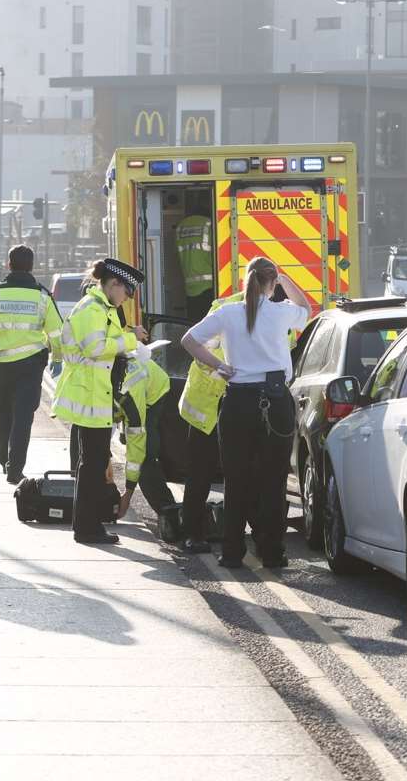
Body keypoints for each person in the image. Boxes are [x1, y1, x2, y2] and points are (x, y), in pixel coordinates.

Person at [180, 257, 309, 568]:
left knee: (236, 480)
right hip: (275, 401)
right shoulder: (281, 312)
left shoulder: (228, 313)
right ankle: (272, 552)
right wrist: (285, 278)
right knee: (273, 479)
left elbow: (189, 341)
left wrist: (220, 366)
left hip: (238, 402)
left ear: (245, 282)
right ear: (271, 283)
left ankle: (232, 552)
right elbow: (306, 307)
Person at [52, 258, 146, 545]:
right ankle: (87, 528)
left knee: (91, 464)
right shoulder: (93, 309)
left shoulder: (100, 308)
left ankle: (86, 525)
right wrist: (131, 341)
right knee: (92, 465)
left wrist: (128, 339)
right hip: (90, 396)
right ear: (114, 284)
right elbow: (95, 348)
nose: (127, 299)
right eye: (127, 293)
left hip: (96, 394)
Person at [0, 245, 64, 485]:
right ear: (32, 266)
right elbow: (56, 332)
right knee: (23, 418)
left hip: (2, 365)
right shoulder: (42, 295)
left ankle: (3, 457)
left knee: (5, 412)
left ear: (8, 265)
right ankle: (15, 468)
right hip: (31, 366)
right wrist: (58, 358)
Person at [177, 291, 243, 555]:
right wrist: (223, 368)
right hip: (209, 402)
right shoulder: (225, 310)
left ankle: (236, 533)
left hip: (239, 400)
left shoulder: (271, 313)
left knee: (241, 472)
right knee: (201, 472)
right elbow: (198, 350)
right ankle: (193, 533)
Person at [113, 354, 177, 531]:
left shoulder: (130, 396)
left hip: (154, 393)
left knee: (145, 459)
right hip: (129, 396)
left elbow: (137, 450)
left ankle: (168, 511)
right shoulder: (97, 385)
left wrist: (128, 494)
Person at [175, 191, 215, 321]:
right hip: (210, 287)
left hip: (190, 289)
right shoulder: (210, 224)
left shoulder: (181, 226)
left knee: (195, 327)